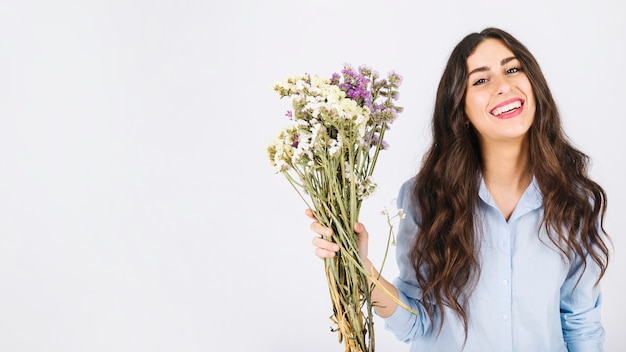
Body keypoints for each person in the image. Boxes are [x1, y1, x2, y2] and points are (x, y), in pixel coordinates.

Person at [306, 27, 610, 351]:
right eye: (481, 80)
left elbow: (582, 327)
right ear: (461, 111)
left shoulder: (575, 200)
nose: (503, 85)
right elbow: (415, 323)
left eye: (512, 69)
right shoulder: (425, 198)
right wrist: (359, 266)